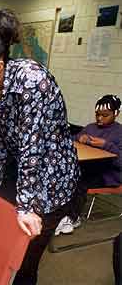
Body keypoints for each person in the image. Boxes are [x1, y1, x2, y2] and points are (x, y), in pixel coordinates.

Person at [0, 8, 80, 285]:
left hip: (50, 179)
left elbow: (32, 147)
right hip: (20, 169)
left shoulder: (32, 82)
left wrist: (25, 207)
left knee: (23, 260)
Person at [55, 95, 122, 236]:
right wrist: (79, 138)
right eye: (97, 115)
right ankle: (58, 211)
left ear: (116, 113)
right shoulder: (91, 127)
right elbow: (72, 141)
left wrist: (107, 145)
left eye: (105, 115)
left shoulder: (119, 132)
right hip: (90, 167)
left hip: (109, 174)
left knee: (80, 181)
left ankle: (72, 218)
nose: (100, 119)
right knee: (64, 174)